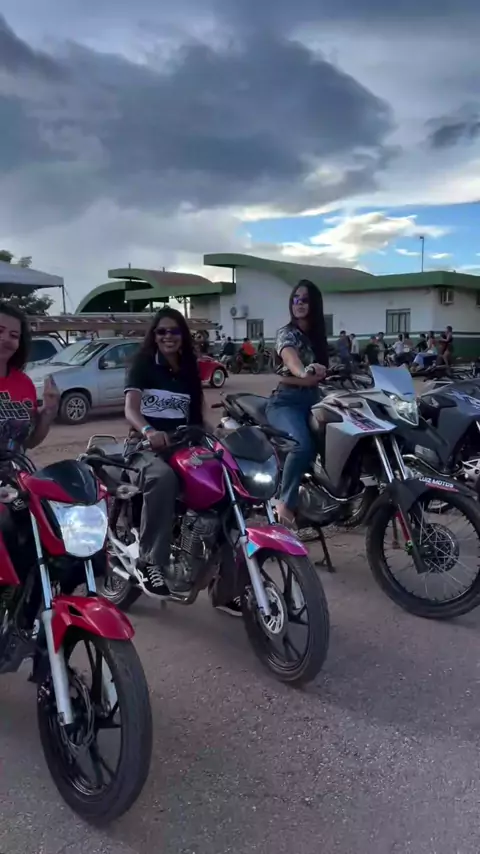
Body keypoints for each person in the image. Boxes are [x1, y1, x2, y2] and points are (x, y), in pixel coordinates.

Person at [124, 308, 205, 596]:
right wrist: (149, 431)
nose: (168, 336)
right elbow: (131, 409)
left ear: (183, 335)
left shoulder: (188, 370)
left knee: (218, 477)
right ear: (154, 336)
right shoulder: (143, 365)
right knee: (162, 478)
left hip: (180, 445)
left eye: (174, 331)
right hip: (144, 446)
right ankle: (149, 561)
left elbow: (196, 417)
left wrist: (217, 436)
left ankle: (224, 580)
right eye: (162, 331)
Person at [265, 280, 328, 528]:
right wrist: (303, 372)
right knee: (301, 446)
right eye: (295, 299)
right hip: (286, 402)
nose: (299, 304)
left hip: (314, 400)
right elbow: (290, 358)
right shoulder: (287, 333)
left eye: (305, 299)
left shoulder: (317, 336)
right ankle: (285, 503)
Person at [0, 302, 59, 451]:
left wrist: (48, 413)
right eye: (0, 330)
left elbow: (28, 443)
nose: (5, 339)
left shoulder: (24, 383)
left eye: (13, 335)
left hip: (15, 465)